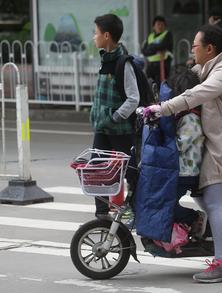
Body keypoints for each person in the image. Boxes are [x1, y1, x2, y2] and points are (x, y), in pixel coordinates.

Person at [147, 24, 222, 283]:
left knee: (214, 203)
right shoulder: (207, 68)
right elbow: (181, 82)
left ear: (210, 49)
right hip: (217, 143)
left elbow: (194, 94)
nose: (192, 50)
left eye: (195, 46)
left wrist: (161, 109)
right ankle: (210, 233)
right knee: (204, 197)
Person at [90, 14, 139, 219]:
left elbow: (133, 98)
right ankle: (102, 214)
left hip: (119, 130)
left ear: (107, 35)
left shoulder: (122, 63)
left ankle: (136, 207)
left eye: (96, 33)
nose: (94, 37)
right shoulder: (105, 60)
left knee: (130, 171)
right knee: (96, 168)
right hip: (103, 127)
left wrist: (115, 117)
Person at [166, 68, 204, 228]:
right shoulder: (185, 115)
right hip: (183, 170)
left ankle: (195, 218)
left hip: (187, 172)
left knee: (169, 206)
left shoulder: (191, 118)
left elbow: (180, 146)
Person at [141, 16, 174, 86]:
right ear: (154, 27)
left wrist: (151, 47)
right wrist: (155, 48)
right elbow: (144, 50)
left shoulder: (167, 34)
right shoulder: (150, 36)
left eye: (162, 24)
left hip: (163, 65)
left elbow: (163, 46)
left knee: (162, 85)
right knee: (149, 85)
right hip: (150, 65)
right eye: (158, 24)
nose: (160, 26)